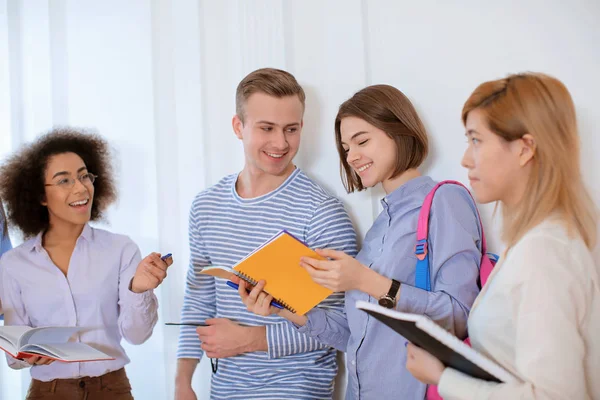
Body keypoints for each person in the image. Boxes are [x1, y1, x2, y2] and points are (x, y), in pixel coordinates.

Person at [238, 84, 483, 399]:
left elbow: (460, 317)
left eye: (362, 141)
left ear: (400, 132)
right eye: (345, 147)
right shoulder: (379, 227)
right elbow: (354, 335)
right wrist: (282, 308)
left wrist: (366, 280)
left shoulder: (445, 201)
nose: (352, 156)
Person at [405, 72, 600, 399]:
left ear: (525, 149)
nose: (466, 159)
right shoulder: (536, 240)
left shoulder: (544, 252)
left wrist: (443, 377)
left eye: (476, 140)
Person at [175, 68, 357, 400]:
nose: (281, 143)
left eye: (291, 129)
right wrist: (182, 381)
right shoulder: (206, 207)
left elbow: (348, 329)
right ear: (238, 127)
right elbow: (199, 297)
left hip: (296, 391)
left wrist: (252, 338)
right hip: (224, 391)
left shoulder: (321, 212)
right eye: (266, 128)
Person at [0, 128, 173, 400]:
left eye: (84, 176)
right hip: (48, 393)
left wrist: (139, 289)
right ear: (40, 196)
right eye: (64, 180)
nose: (81, 188)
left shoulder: (121, 249)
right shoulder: (13, 264)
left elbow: (137, 336)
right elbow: (14, 356)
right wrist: (26, 355)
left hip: (112, 390)